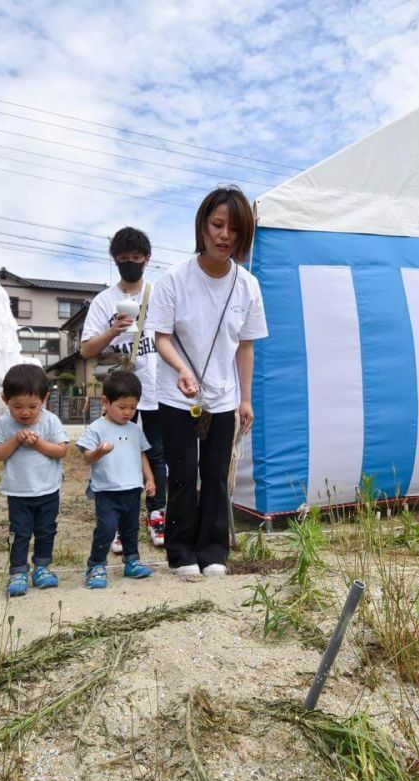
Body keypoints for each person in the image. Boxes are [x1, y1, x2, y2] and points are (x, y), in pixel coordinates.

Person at [150, 186, 267, 577]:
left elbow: (245, 347)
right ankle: (181, 553)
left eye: (234, 229)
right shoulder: (174, 279)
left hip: (224, 396)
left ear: (243, 236)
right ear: (203, 227)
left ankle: (214, 551)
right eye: (217, 225)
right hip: (176, 394)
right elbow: (161, 337)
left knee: (217, 476)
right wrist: (181, 369)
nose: (224, 235)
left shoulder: (248, 285)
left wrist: (245, 399)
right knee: (182, 475)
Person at [80, 227, 166, 551]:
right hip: (118, 393)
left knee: (156, 454)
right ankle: (114, 520)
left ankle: (157, 515)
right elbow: (87, 350)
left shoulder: (159, 296)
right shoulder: (104, 301)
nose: (131, 263)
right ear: (115, 260)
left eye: (136, 258)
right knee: (115, 452)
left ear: (147, 259)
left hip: (156, 391)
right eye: (124, 258)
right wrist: (112, 330)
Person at [0, 364, 70, 597]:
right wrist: (15, 440)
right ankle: (18, 571)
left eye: (33, 407)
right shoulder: (4, 423)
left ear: (45, 398)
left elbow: (61, 450)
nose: (25, 412)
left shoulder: (50, 421)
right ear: (5, 400)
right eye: (17, 406)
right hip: (19, 492)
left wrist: (37, 443)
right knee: (20, 532)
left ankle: (42, 568)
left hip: (48, 489)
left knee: (46, 530)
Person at [76, 372, 156, 589]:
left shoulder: (135, 429)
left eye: (133, 407)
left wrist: (150, 479)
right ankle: (96, 565)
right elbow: (86, 457)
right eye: (122, 407)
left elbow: (141, 455)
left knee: (131, 529)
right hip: (107, 491)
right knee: (107, 528)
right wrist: (99, 453)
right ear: (105, 402)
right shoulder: (96, 428)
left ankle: (132, 561)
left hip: (132, 489)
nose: (128, 412)